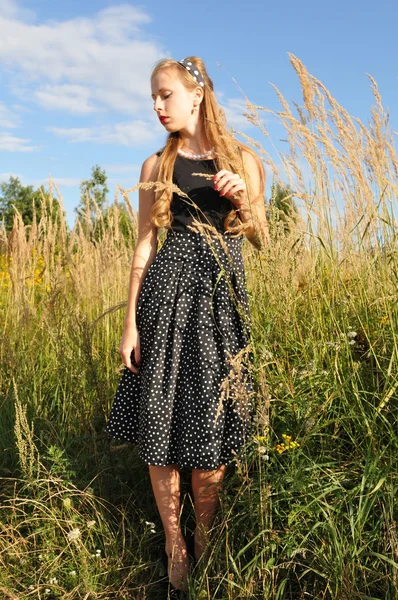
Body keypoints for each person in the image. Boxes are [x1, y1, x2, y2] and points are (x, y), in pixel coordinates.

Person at [105, 55, 269, 593]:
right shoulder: (156, 166)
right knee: (162, 429)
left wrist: (243, 201)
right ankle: (175, 544)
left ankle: (208, 536)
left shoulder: (243, 159)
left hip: (220, 310)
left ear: (196, 96)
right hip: (163, 306)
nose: (156, 105)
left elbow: (260, 239)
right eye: (152, 96)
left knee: (210, 434)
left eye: (164, 95)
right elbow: (144, 244)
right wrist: (130, 322)